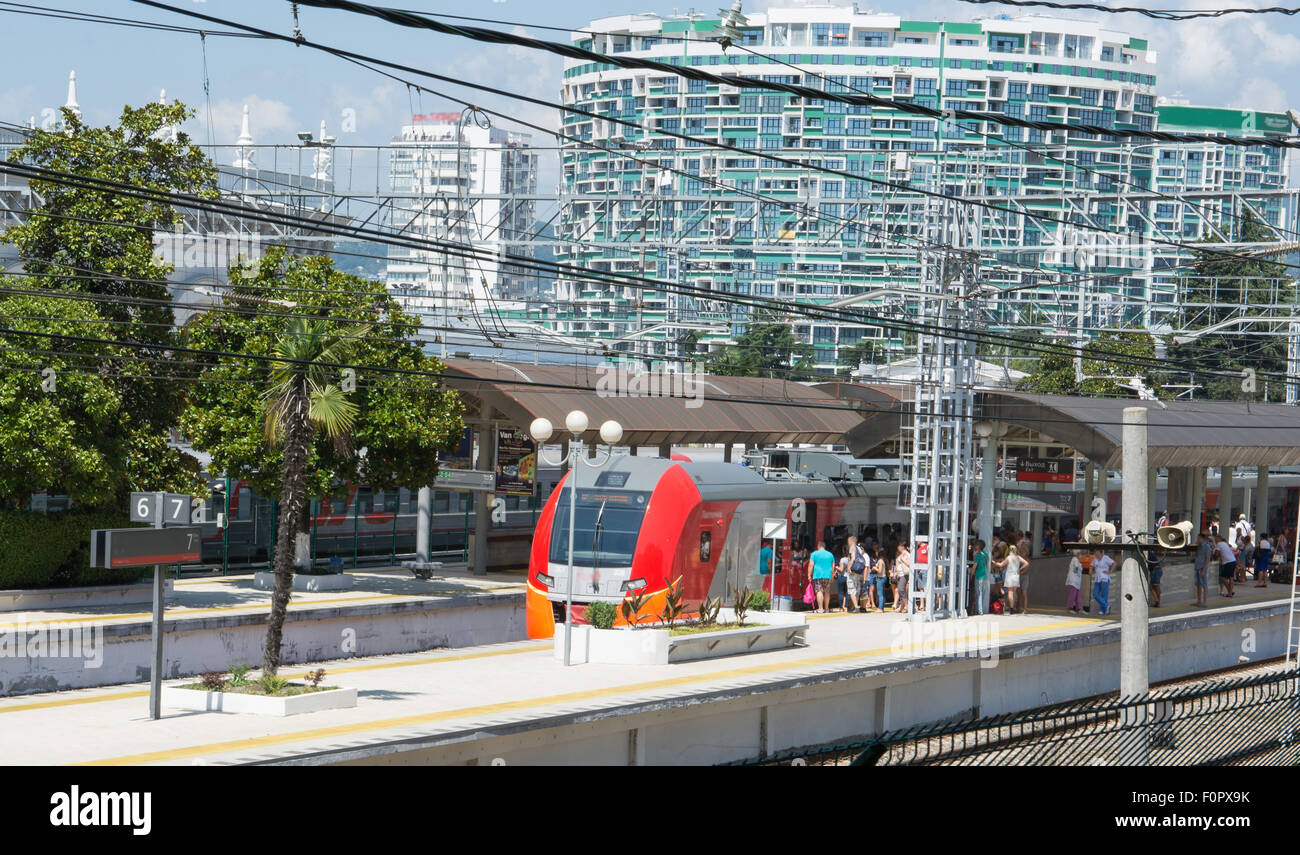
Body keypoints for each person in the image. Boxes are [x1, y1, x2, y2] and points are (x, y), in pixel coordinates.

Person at [807, 540, 835, 614]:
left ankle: (820, 609)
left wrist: (809, 575)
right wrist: (832, 576)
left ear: (818, 546)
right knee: (827, 592)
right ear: (824, 547)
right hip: (828, 575)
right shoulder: (830, 554)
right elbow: (833, 566)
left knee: (819, 591)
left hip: (818, 575)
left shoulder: (814, 554)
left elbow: (811, 565)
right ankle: (827, 608)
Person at [1091, 548, 1114, 616]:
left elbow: (1114, 563)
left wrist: (1110, 571)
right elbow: (1091, 565)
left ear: (1099, 551)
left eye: (1096, 551)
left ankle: (1103, 610)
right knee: (1095, 594)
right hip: (1097, 579)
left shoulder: (1106, 558)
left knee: (1104, 596)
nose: (1095, 553)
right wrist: (1090, 570)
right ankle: (1106, 606)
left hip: (1104, 578)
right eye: (1094, 552)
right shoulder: (1095, 559)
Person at [1002, 545, 1024, 615]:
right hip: (1016, 576)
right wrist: (1020, 569)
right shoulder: (1018, 557)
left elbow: (1001, 565)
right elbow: (1026, 563)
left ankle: (1011, 609)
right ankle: (1013, 608)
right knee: (1014, 593)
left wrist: (994, 563)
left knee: (1010, 592)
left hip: (1010, 576)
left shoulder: (1008, 557)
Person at [1214, 534, 1237, 598]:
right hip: (1233, 560)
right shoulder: (1225, 543)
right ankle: (1230, 592)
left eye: (1215, 540)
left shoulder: (1219, 544)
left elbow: (1216, 554)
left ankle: (1230, 591)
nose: (1215, 541)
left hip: (1227, 562)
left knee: (1222, 577)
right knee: (1231, 577)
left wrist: (1213, 552)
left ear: (1218, 539)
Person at [1192, 531, 1212, 607]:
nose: (1197, 539)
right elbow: (1195, 555)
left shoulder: (1207, 546)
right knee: (1198, 585)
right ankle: (1199, 601)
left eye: (1198, 538)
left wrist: (1203, 570)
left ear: (1202, 538)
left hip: (1202, 568)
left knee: (1204, 584)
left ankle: (1205, 601)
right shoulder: (1199, 546)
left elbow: (1207, 558)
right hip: (1197, 567)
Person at [972, 539, 990, 616]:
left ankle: (980, 610)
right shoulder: (986, 555)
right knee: (983, 593)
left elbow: (974, 567)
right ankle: (981, 609)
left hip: (979, 576)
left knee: (979, 593)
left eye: (976, 545)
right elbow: (987, 565)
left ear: (978, 546)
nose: (975, 546)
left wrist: (971, 575)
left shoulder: (978, 556)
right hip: (985, 576)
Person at [894, 542, 912, 614]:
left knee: (901, 589)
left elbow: (909, 564)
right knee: (900, 590)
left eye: (899, 546)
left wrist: (903, 560)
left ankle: (906, 606)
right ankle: (902, 606)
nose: (898, 548)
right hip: (900, 574)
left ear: (902, 547)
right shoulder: (901, 554)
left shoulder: (906, 554)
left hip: (904, 574)